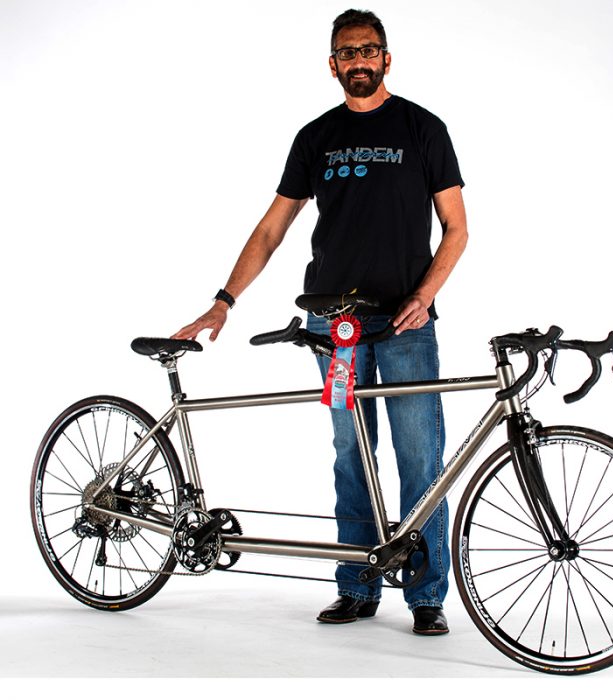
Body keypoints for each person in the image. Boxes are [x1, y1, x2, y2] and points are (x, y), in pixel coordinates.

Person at [173, 9, 468, 635]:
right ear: (332, 65)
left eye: (369, 49)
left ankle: (426, 596)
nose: (359, 60)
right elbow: (271, 229)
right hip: (334, 327)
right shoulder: (316, 137)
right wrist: (224, 300)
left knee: (421, 457)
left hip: (407, 324)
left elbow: (457, 228)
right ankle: (356, 585)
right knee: (350, 456)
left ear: (387, 58)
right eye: (347, 52)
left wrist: (425, 295)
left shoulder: (423, 128)